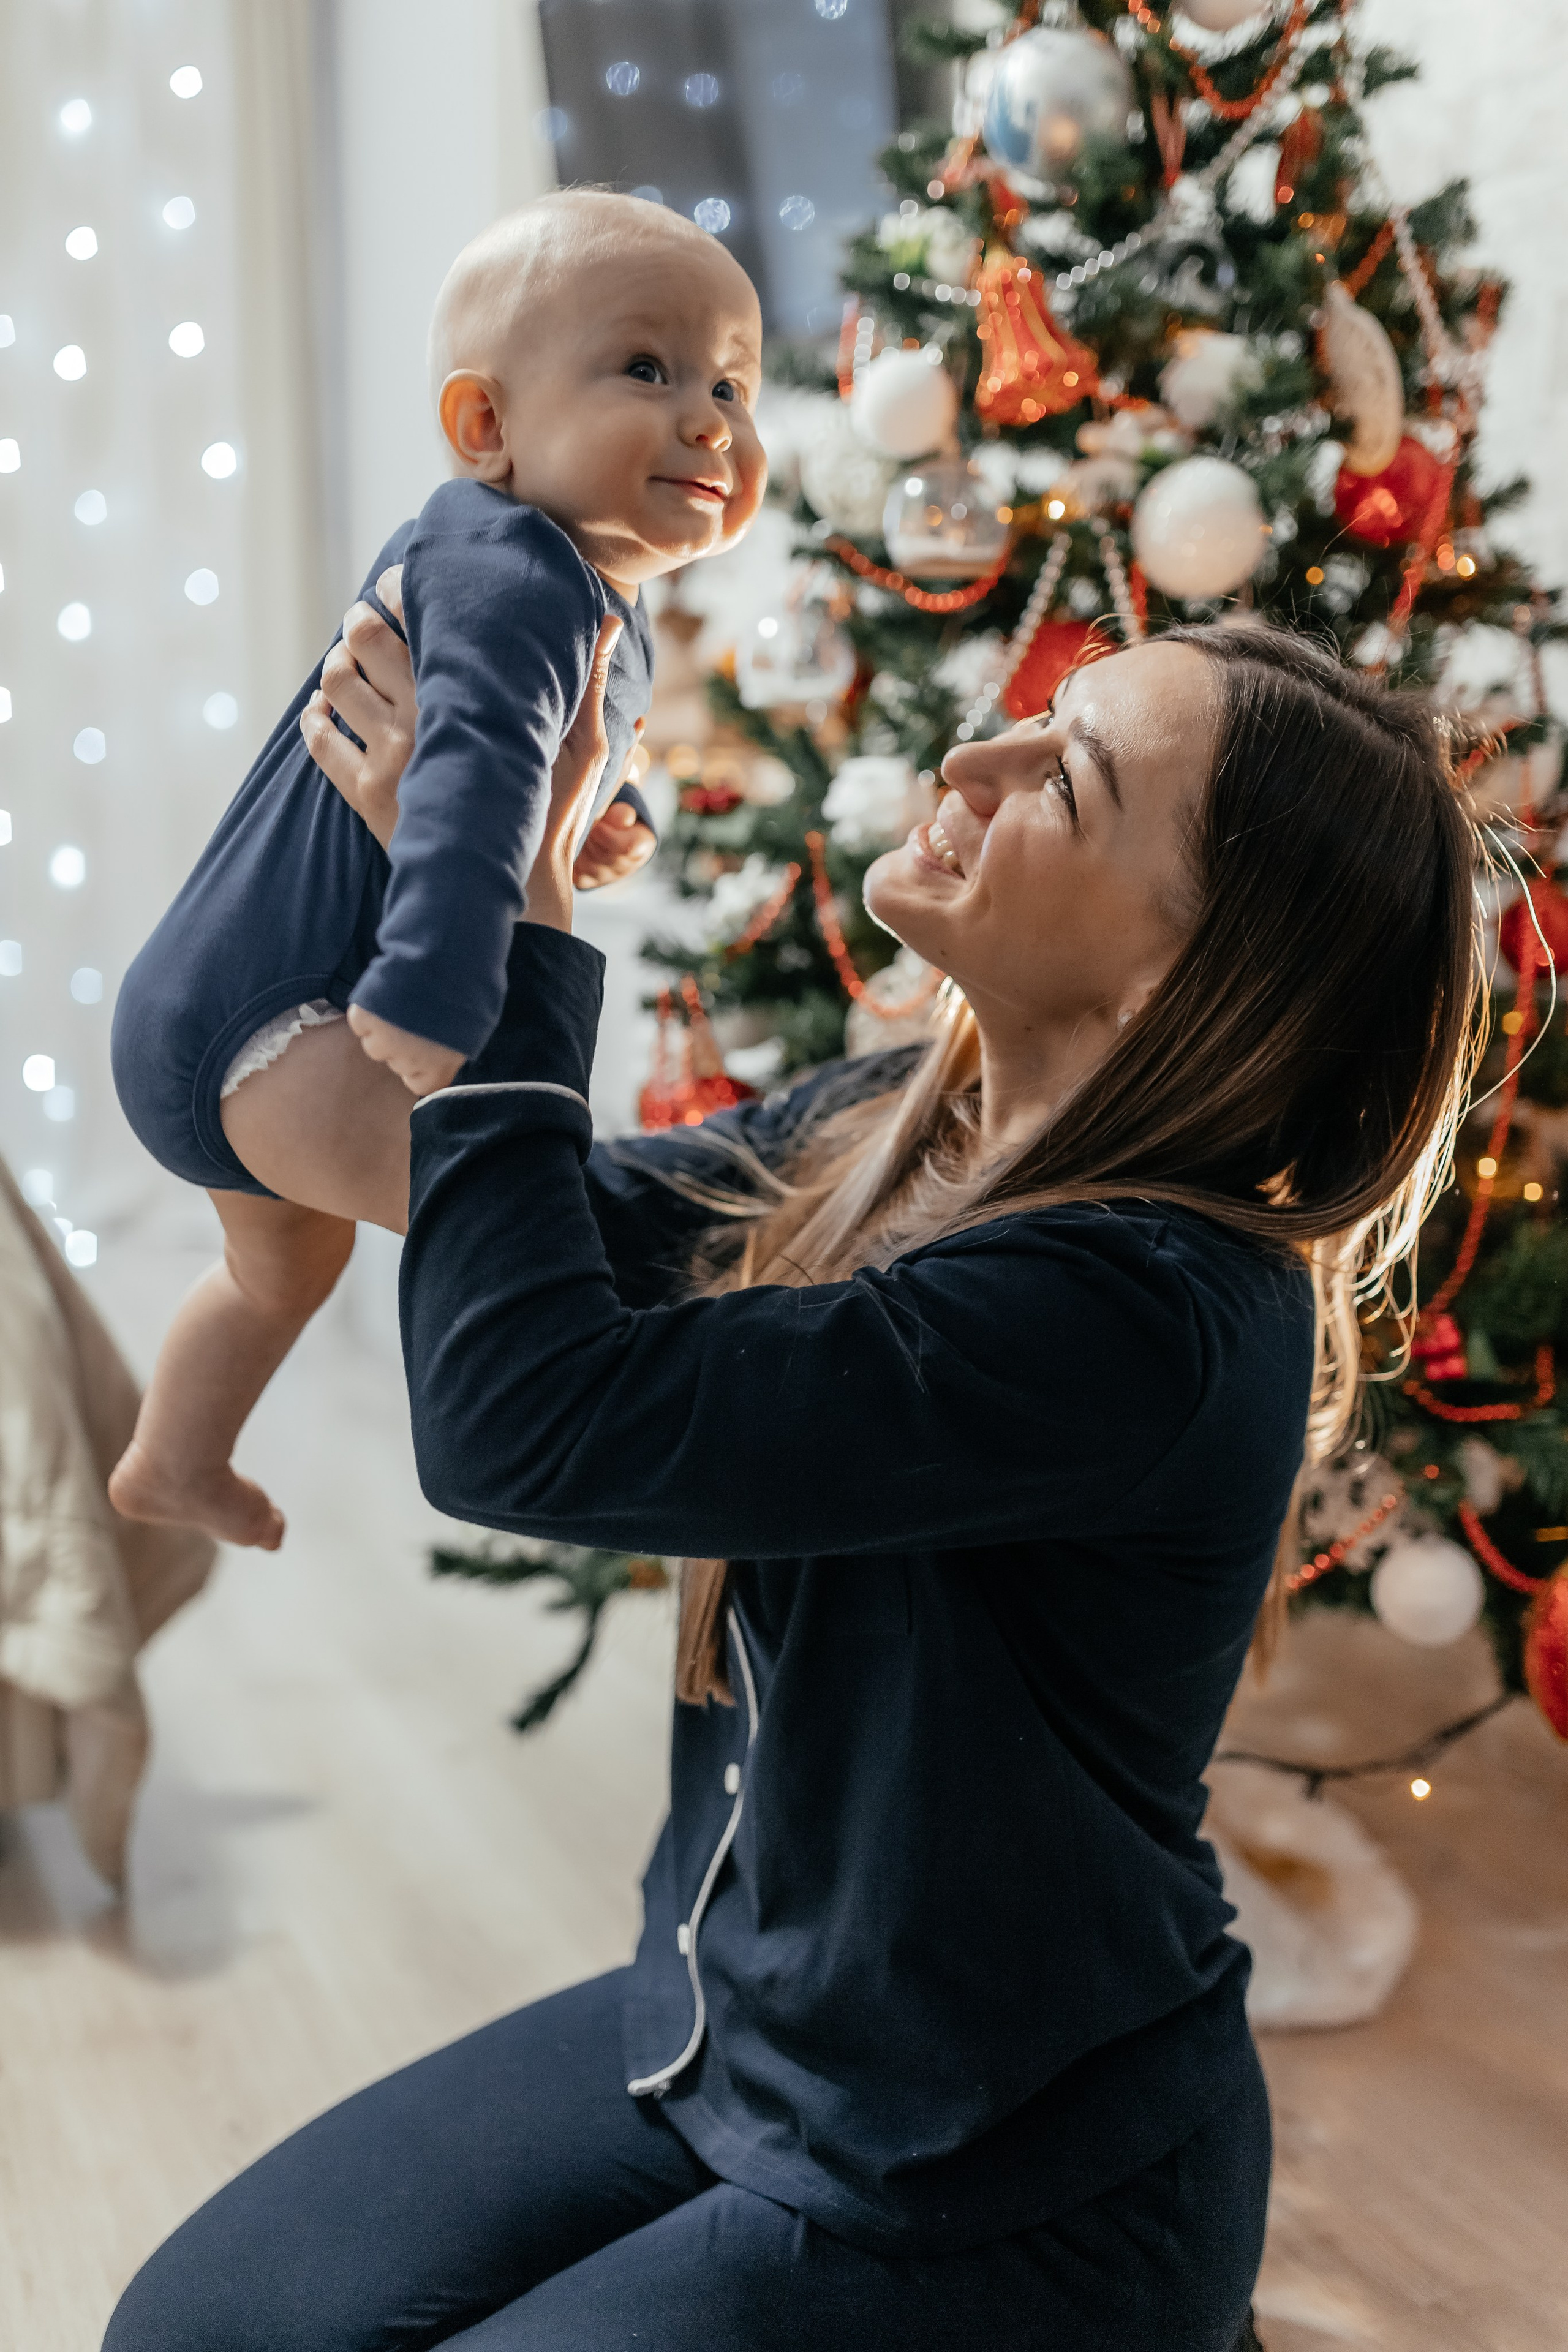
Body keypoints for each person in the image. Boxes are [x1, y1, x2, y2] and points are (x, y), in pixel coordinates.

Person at [103, 612, 1479, 2351]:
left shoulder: (1145, 1313)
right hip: (734, 2025)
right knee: (190, 2335)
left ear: (1179, 980)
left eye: (1066, 779)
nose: (973, 759)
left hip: (989, 2177)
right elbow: (510, 1212)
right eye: (1039, 715)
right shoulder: (907, 1121)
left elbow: (523, 1418)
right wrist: (418, 864)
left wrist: (506, 935)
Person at [106, 190, 766, 1552]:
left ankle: (173, 1459)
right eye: (648, 368)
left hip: (222, 1013)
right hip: (294, 1027)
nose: (711, 421)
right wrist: (432, 990)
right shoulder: (516, 573)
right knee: (544, 1227)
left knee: (281, 1269)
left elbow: (532, 778)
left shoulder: (572, 585)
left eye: (731, 386)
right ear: (486, 426)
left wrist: (597, 825)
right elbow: (467, 783)